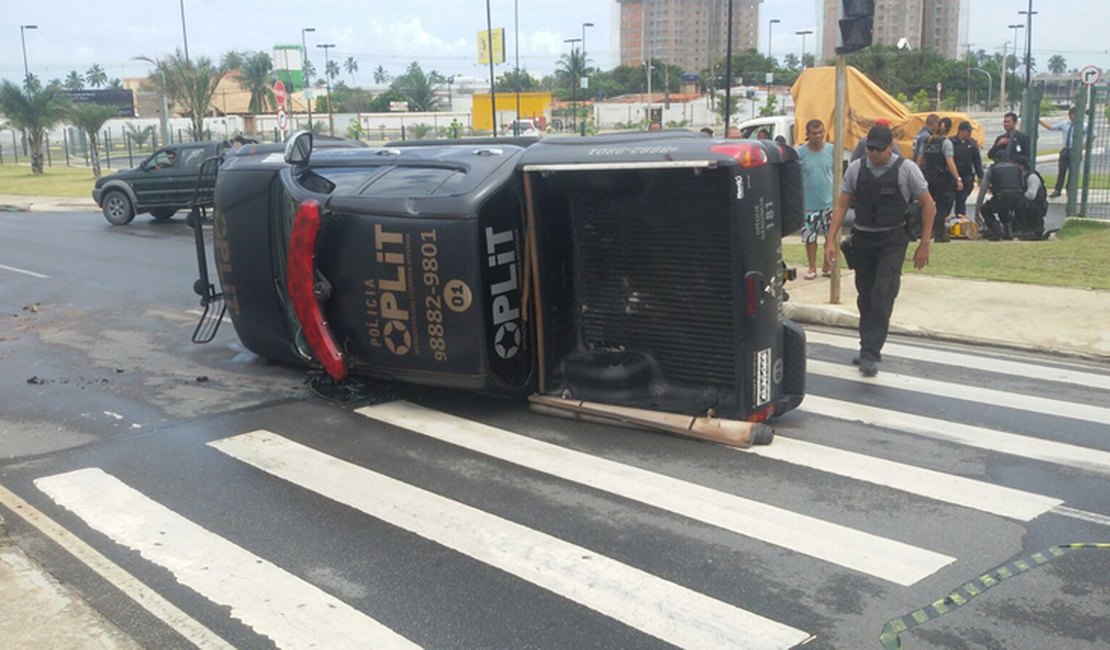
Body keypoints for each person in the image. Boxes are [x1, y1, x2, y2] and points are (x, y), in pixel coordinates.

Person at [824, 124, 936, 377]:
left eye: (878, 149)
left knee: (882, 294)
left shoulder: (907, 169)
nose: (873, 154)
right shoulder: (856, 169)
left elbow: (928, 204)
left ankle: (870, 353)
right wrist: (830, 240)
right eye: (869, 149)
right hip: (863, 239)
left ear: (890, 148)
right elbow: (841, 206)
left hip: (892, 240)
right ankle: (868, 345)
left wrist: (924, 243)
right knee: (865, 297)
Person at [796, 119, 836, 281]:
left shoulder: (832, 150)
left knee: (830, 237)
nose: (818, 136)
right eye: (814, 133)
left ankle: (827, 266)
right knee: (810, 238)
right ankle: (812, 267)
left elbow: (837, 172)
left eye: (821, 132)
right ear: (807, 134)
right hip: (808, 204)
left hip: (829, 203)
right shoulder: (800, 153)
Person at [975, 155, 1047, 241]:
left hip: (1007, 198)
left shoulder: (992, 169)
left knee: (986, 209)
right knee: (1005, 207)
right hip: (1018, 199)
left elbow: (982, 191)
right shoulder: (1016, 169)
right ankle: (1008, 231)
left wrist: (977, 211)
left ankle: (996, 229)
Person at [916, 117, 960, 242]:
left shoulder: (927, 141)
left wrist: (917, 175)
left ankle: (918, 231)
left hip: (927, 177)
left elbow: (919, 159)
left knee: (925, 204)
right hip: (942, 179)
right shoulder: (946, 143)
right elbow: (950, 162)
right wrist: (958, 178)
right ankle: (939, 234)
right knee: (942, 206)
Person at [1038, 107, 1096, 198]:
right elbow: (1051, 127)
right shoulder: (1065, 124)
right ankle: (1057, 190)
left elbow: (1093, 135)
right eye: (1072, 115)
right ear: (1069, 115)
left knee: (1073, 172)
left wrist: (1083, 146)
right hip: (1065, 150)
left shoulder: (1083, 125)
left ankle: (1070, 190)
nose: (1074, 117)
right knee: (1061, 171)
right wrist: (1039, 121)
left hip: (1075, 151)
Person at [950, 120, 984, 219]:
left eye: (970, 131)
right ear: (961, 131)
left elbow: (977, 162)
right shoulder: (952, 142)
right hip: (952, 177)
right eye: (967, 131)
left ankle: (960, 220)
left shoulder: (972, 144)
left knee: (962, 200)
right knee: (949, 200)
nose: (969, 133)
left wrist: (981, 177)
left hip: (966, 176)